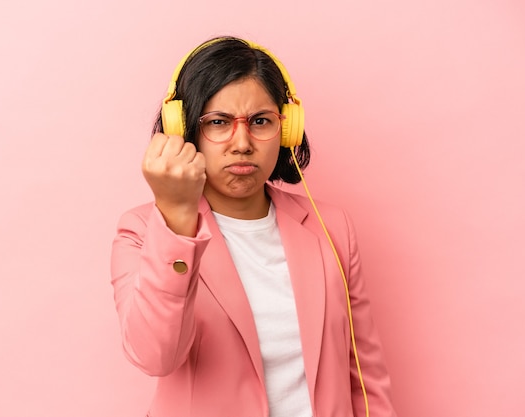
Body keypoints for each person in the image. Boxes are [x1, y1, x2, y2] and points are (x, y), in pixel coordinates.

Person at [110, 36, 396, 417]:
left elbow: (365, 377)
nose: (241, 143)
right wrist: (177, 220)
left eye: (260, 121)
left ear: (287, 128)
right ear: (183, 131)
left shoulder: (332, 227)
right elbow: (155, 357)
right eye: (218, 122)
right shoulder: (145, 230)